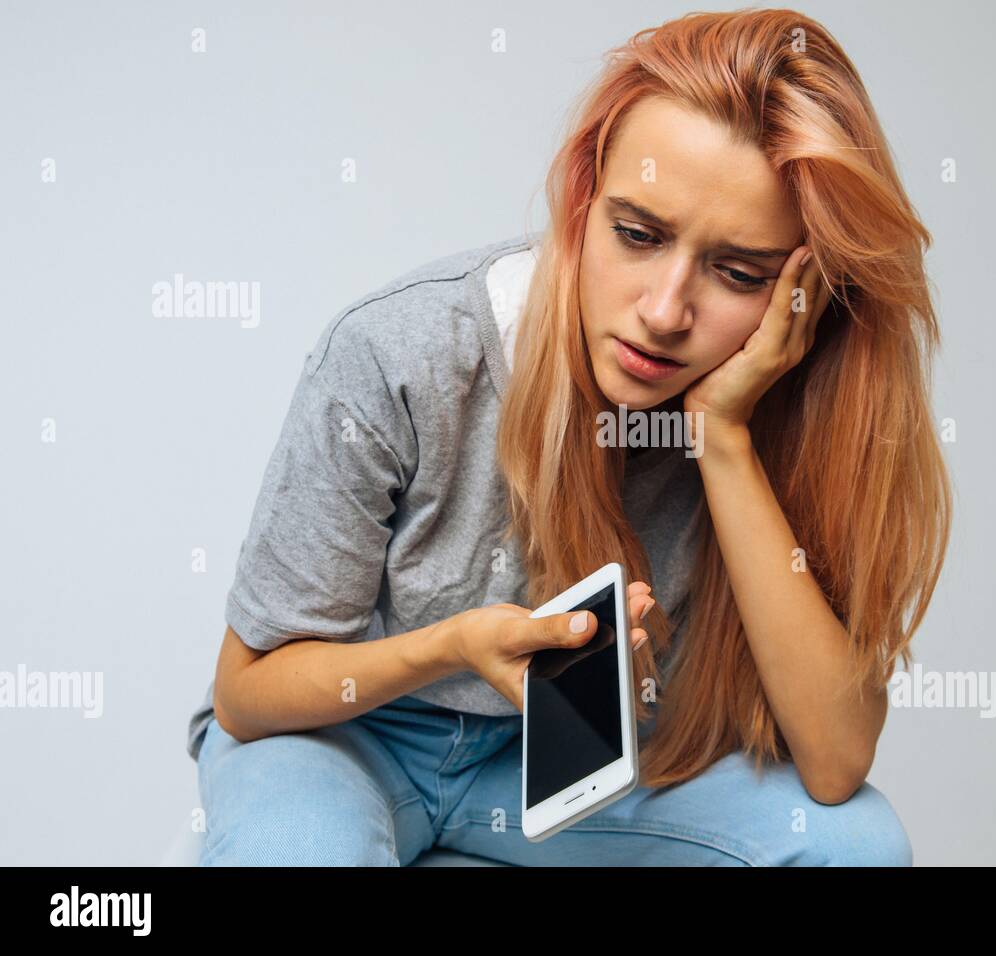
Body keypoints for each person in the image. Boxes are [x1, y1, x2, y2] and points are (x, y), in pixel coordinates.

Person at [187, 7, 950, 866]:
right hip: (344, 736)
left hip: (556, 763)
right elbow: (246, 695)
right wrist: (454, 646)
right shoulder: (400, 352)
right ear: (582, 200)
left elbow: (837, 761)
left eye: (738, 273)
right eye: (637, 234)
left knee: (854, 847)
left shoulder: (784, 401)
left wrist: (724, 436)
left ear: (802, 293)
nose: (664, 313)